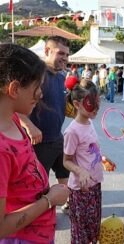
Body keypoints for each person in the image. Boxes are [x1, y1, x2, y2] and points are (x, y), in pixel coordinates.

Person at [0, 43, 69, 243]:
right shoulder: (2, 150)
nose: (40, 94)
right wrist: (49, 200)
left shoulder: (14, 119)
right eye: (37, 87)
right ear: (14, 89)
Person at [19, 36, 70, 213]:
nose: (65, 58)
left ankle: (66, 203)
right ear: (47, 51)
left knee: (64, 174)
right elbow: (14, 105)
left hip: (57, 137)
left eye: (67, 54)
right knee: (39, 184)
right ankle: (41, 215)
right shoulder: (37, 76)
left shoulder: (60, 77)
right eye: (60, 53)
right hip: (39, 142)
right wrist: (29, 126)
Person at [63, 83, 108, 243]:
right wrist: (80, 171)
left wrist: (102, 159)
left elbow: (90, 150)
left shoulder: (89, 122)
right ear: (76, 104)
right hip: (80, 191)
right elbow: (66, 161)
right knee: (80, 232)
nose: (96, 108)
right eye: (91, 104)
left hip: (95, 185)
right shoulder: (72, 131)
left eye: (98, 103)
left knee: (93, 227)